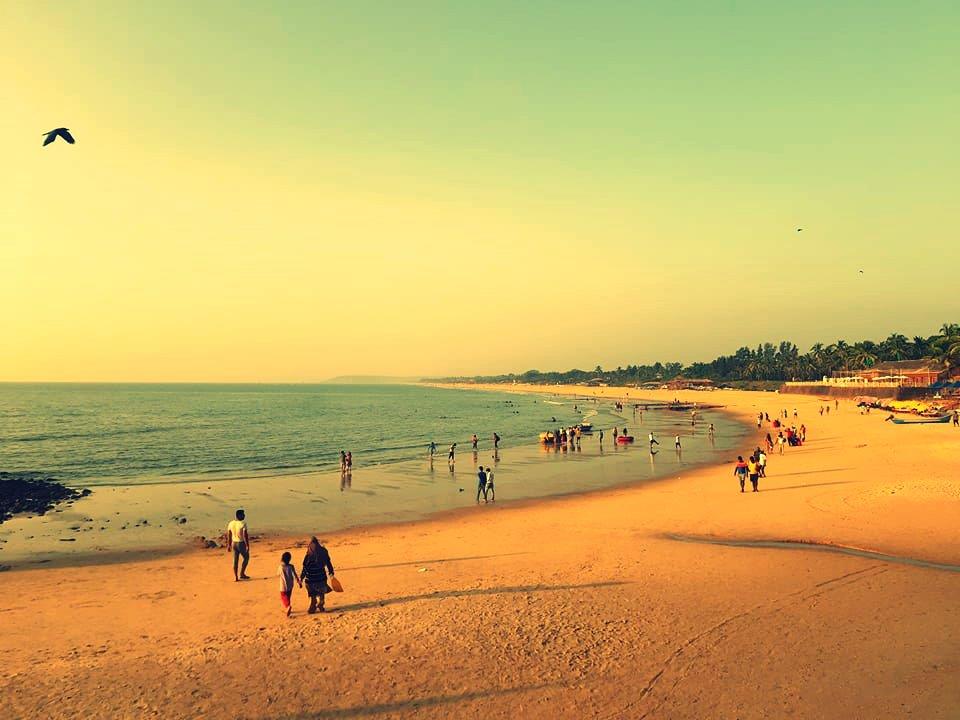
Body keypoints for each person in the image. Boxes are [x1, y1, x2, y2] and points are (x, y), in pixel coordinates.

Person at [300, 537, 335, 614]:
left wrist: (301, 578)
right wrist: (331, 573)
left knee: (312, 593)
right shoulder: (323, 553)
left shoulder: (308, 555)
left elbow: (304, 568)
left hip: (310, 580)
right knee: (321, 592)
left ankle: (313, 604)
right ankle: (321, 604)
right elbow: (328, 563)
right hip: (321, 578)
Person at [226, 509, 250, 581]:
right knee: (246, 557)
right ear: (239, 515)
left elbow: (229, 535)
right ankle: (242, 573)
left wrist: (229, 545)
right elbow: (245, 535)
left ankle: (235, 577)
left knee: (235, 560)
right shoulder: (243, 523)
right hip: (241, 543)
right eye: (243, 514)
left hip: (234, 543)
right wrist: (247, 545)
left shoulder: (231, 523)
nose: (244, 515)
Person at [277, 551, 302, 617]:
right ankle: (288, 608)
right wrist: (298, 582)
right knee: (288, 596)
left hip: (283, 585)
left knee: (283, 597)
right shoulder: (291, 566)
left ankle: (288, 606)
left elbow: (278, 574)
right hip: (290, 584)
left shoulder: (280, 567)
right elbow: (295, 574)